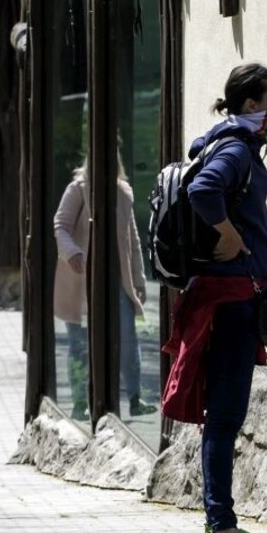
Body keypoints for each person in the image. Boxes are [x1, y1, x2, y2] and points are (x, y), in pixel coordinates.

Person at [161, 63, 267, 533]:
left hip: (228, 297)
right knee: (227, 415)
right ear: (251, 105)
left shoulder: (227, 141)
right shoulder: (235, 148)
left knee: (223, 414)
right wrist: (230, 235)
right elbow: (203, 188)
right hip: (232, 302)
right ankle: (221, 525)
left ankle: (221, 521)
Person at [52, 150, 157, 422]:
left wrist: (139, 280)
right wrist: (72, 252)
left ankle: (135, 399)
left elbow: (132, 240)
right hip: (80, 282)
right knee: (79, 344)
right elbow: (60, 225)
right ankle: (79, 402)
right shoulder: (77, 189)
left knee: (127, 339)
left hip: (116, 281)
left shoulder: (123, 192)